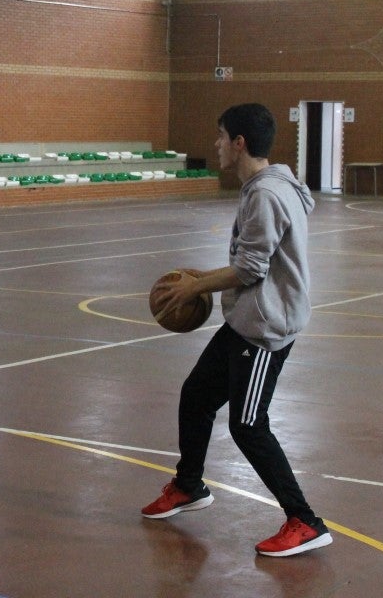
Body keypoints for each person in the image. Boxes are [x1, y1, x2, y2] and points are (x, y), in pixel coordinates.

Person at [141, 103, 331, 558]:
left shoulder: (266, 194)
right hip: (247, 319)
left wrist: (195, 286)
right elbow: (250, 265)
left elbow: (249, 268)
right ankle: (189, 485)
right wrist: (200, 281)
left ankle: (305, 521)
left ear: (239, 143)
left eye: (221, 136)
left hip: (264, 330)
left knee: (248, 425)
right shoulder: (267, 185)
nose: (217, 144)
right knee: (197, 395)